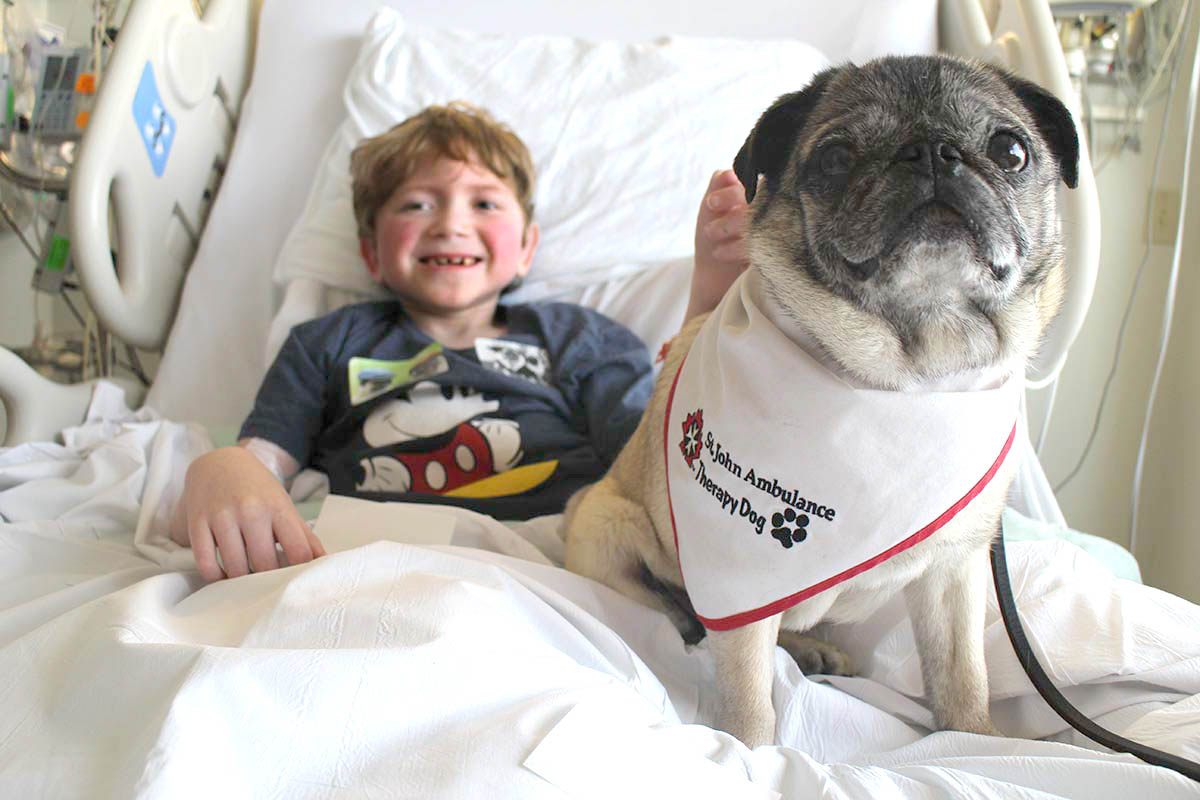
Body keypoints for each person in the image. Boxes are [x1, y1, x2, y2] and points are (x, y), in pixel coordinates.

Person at [170, 102, 749, 582]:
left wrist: (700, 310)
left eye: (484, 203)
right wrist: (223, 470)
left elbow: (651, 468)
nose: (450, 222)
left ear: (526, 247)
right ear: (370, 252)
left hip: (549, 564)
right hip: (378, 562)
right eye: (416, 204)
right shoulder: (327, 342)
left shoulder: (581, 339)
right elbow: (262, 464)